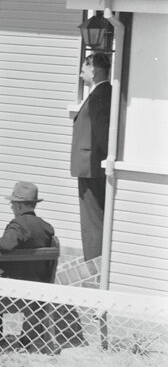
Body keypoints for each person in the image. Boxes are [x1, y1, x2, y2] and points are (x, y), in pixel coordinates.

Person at [0, 181, 59, 349]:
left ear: (20, 206)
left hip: (12, 287)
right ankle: (28, 337)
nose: (11, 208)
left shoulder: (18, 225)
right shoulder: (46, 227)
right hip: (38, 283)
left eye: (12, 204)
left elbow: (6, 245)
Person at [70, 52, 111, 262]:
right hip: (90, 164)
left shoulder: (101, 95)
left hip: (92, 166)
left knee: (92, 220)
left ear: (93, 71)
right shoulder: (101, 92)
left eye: (84, 70)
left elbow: (103, 133)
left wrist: (104, 161)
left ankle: (94, 264)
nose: (80, 74)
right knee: (94, 219)